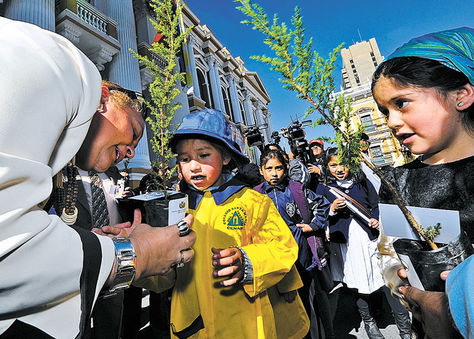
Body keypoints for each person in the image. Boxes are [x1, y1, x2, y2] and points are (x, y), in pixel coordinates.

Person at [0, 17, 195, 338]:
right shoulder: (62, 68)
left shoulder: (58, 159)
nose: (132, 151)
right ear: (103, 99)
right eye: (133, 131)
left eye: (136, 146)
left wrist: (92, 241)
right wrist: (138, 254)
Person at [136, 108, 309, 338]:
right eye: (185, 159)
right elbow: (165, 277)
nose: (193, 166)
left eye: (203, 155)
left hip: (246, 322)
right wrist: (140, 257)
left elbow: (283, 248)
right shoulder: (177, 210)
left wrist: (248, 262)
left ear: (226, 156)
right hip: (195, 325)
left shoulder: (252, 201)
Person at [371, 26, 474, 338]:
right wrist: (401, 284)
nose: (391, 122)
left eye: (401, 103)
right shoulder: (396, 183)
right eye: (384, 111)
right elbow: (388, 252)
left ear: (462, 95)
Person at [316, 148, 411, 339]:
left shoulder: (362, 182)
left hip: (372, 239)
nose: (339, 169)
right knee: (359, 282)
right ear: (327, 167)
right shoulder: (323, 189)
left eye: (342, 164)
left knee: (388, 280)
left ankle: (405, 328)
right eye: (333, 165)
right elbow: (318, 215)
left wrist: (376, 218)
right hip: (348, 246)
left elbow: (375, 204)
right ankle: (370, 324)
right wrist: (332, 209)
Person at [255, 149, 335, 339]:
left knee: (304, 304)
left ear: (287, 167)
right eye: (269, 168)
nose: (274, 173)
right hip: (271, 261)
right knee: (279, 307)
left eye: (279, 168)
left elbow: (322, 205)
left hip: (301, 258)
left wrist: (313, 226)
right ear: (261, 170)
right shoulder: (255, 195)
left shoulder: (296, 189)